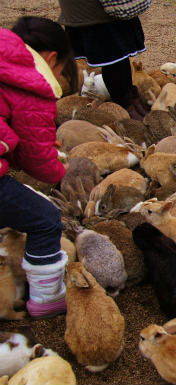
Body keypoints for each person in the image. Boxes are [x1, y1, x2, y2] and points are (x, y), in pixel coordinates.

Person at [0, 16, 79, 319]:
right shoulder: (31, 81)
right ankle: (47, 297)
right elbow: (38, 159)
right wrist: (59, 169)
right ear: (51, 58)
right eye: (61, 70)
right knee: (45, 218)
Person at [58, 0, 148, 120]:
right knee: (111, 57)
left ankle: (130, 101)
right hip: (96, 13)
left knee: (119, 57)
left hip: (106, 11)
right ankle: (124, 105)